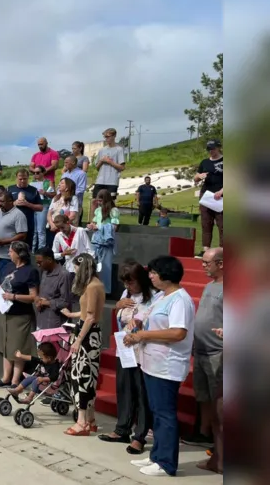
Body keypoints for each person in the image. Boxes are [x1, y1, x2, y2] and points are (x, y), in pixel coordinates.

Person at [123, 256, 196, 477]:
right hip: (151, 363)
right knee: (156, 411)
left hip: (167, 365)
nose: (151, 276)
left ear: (166, 274)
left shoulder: (180, 300)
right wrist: (137, 323)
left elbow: (178, 332)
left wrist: (143, 334)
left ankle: (166, 462)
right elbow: (147, 317)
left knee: (165, 414)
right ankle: (157, 455)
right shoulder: (161, 296)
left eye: (154, 272)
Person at [98, 261, 157, 456]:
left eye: (131, 283)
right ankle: (122, 428)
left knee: (141, 393)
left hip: (142, 350)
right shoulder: (126, 294)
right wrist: (118, 305)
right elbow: (120, 317)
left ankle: (139, 436)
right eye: (125, 283)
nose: (128, 287)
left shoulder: (153, 298)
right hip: (125, 349)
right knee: (124, 389)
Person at [183, 248, 223, 470]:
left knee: (219, 401)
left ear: (221, 263)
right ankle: (204, 433)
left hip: (219, 352)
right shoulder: (210, 286)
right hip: (201, 350)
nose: (203, 266)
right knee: (204, 395)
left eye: (207, 263)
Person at [60, 253, 106, 437]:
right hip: (86, 330)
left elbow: (91, 316)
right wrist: (72, 316)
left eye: (76, 267)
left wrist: (78, 340)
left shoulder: (93, 286)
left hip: (88, 335)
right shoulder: (92, 285)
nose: (74, 271)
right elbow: (87, 311)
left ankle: (82, 422)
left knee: (82, 377)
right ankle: (91, 419)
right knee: (84, 376)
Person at [0, 241, 39, 388]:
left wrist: (14, 297)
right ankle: (6, 377)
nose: (8, 253)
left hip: (20, 314)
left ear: (19, 254)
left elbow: (34, 296)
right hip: (5, 312)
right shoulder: (8, 267)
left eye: (11, 251)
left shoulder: (30, 271)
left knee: (18, 346)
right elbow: (4, 285)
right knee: (6, 345)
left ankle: (15, 379)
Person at [0, 189, 28, 274]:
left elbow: (23, 235)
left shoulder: (18, 215)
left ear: (10, 201)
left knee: (4, 283)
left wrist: (2, 242)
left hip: (7, 256)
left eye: (2, 202)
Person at [194, 139, 223, 255]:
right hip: (206, 195)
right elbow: (195, 178)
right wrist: (199, 176)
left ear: (219, 147)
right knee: (206, 223)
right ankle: (205, 250)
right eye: (209, 149)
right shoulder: (204, 162)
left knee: (222, 224)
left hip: (221, 196)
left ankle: (222, 251)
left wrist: (221, 191)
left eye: (213, 148)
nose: (211, 151)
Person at [33, 247, 74, 330]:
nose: (38, 265)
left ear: (49, 259)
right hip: (41, 321)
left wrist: (46, 303)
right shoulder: (44, 272)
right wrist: (38, 300)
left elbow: (65, 302)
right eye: (37, 262)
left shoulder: (64, 275)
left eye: (40, 262)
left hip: (55, 324)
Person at [88, 189, 120, 294]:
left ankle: (105, 290)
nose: (99, 203)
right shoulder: (98, 210)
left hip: (106, 242)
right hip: (96, 240)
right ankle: (94, 288)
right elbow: (94, 221)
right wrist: (92, 225)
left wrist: (100, 227)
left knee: (106, 267)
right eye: (98, 201)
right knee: (95, 265)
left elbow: (114, 227)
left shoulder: (113, 211)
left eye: (100, 201)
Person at [91, 128, 126, 216]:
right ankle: (93, 222)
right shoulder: (102, 150)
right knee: (95, 201)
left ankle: (111, 221)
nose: (106, 139)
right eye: (105, 137)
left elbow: (122, 167)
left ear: (114, 136)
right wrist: (102, 161)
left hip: (112, 181)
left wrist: (110, 162)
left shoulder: (119, 149)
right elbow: (97, 167)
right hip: (100, 180)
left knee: (110, 202)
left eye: (108, 136)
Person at [8, 168, 43, 250]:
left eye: (25, 179)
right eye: (20, 179)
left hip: (28, 223)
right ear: (16, 178)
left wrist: (28, 204)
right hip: (12, 223)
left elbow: (40, 208)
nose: (23, 181)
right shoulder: (10, 189)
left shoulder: (33, 190)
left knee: (26, 247)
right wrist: (14, 203)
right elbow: (3, 205)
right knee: (12, 246)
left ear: (28, 178)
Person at [31, 165, 56, 251]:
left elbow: (54, 194)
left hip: (43, 206)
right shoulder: (32, 182)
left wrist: (45, 193)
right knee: (33, 230)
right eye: (34, 173)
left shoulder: (49, 182)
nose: (35, 174)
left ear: (43, 173)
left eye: (37, 172)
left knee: (41, 230)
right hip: (33, 206)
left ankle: (41, 250)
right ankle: (33, 249)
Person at [61, 155, 88, 225]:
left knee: (73, 226)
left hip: (74, 204)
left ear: (73, 162)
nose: (65, 164)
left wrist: (68, 194)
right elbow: (60, 187)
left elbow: (81, 189)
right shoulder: (64, 175)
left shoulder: (81, 174)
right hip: (63, 204)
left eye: (67, 162)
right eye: (64, 163)